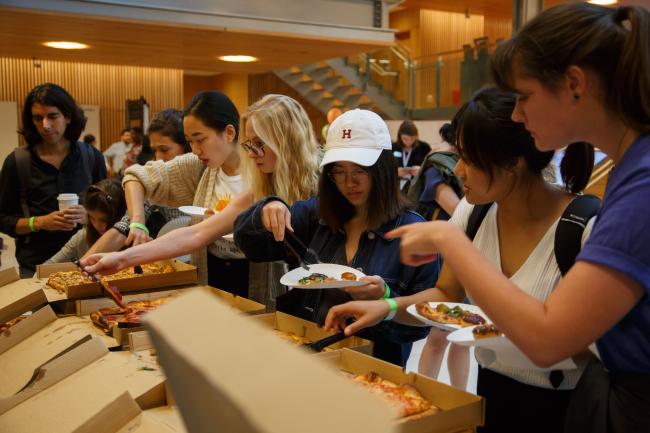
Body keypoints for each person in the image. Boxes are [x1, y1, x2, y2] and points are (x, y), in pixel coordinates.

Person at [337, 3, 650, 432]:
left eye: (524, 96)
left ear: (575, 84)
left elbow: (549, 339)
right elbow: (450, 298)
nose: (519, 114)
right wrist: (390, 307)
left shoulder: (636, 188)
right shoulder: (630, 173)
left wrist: (451, 242)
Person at [326, 87, 597, 432]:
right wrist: (388, 306)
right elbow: (445, 297)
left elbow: (590, 346)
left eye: (469, 158)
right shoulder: (474, 213)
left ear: (512, 162)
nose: (459, 170)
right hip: (492, 389)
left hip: (566, 406)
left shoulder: (584, 227)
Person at [234, 109, 441, 366]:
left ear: (384, 168)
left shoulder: (412, 231)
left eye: (360, 170)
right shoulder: (317, 215)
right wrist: (266, 207)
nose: (349, 182)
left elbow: (421, 325)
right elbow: (249, 244)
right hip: (306, 356)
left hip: (372, 370)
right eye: (339, 171)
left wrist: (385, 299)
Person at [81, 94, 321, 305]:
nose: (250, 153)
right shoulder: (260, 190)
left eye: (259, 144)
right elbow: (197, 234)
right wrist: (121, 258)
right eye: (250, 144)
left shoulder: (324, 179)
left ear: (286, 141)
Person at [83, 91, 244, 294]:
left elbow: (195, 235)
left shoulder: (259, 173)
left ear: (230, 133)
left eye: (200, 139)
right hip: (211, 273)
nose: (195, 150)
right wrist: (137, 221)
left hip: (250, 274)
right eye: (190, 141)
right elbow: (136, 176)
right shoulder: (199, 166)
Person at [0, 83, 106, 277]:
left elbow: (111, 210)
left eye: (52, 116)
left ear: (68, 116)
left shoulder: (91, 157)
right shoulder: (17, 162)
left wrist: (90, 216)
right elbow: (3, 219)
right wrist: (39, 222)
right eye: (37, 118)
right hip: (36, 265)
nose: (45, 126)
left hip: (88, 260)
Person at [82, 109, 191, 257]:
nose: (158, 158)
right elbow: (124, 228)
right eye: (155, 151)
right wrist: (83, 266)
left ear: (186, 146)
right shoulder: (157, 180)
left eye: (164, 150)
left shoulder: (201, 171)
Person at [45, 179, 126, 263]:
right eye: (91, 217)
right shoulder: (83, 236)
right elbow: (47, 267)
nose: (97, 226)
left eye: (104, 220)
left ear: (122, 215)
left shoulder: (136, 239)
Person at [393, 120, 432, 191]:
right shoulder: (393, 147)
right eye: (405, 139)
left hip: (416, 187)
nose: (409, 142)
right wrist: (394, 172)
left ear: (416, 136)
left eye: (412, 139)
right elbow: (385, 168)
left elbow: (431, 167)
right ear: (399, 136)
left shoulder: (424, 147)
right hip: (395, 187)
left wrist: (421, 170)